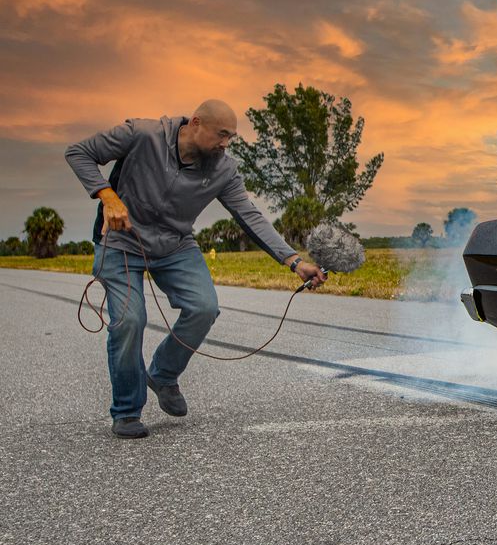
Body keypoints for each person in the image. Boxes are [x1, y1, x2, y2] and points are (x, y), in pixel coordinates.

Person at [65, 99, 327, 439]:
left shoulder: (223, 169)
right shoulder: (143, 135)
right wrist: (107, 195)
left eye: (231, 137)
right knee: (129, 320)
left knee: (204, 307)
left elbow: (249, 216)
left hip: (175, 244)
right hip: (121, 242)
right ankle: (127, 411)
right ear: (196, 123)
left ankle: (162, 374)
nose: (226, 144)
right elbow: (78, 152)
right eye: (221, 135)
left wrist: (293, 261)